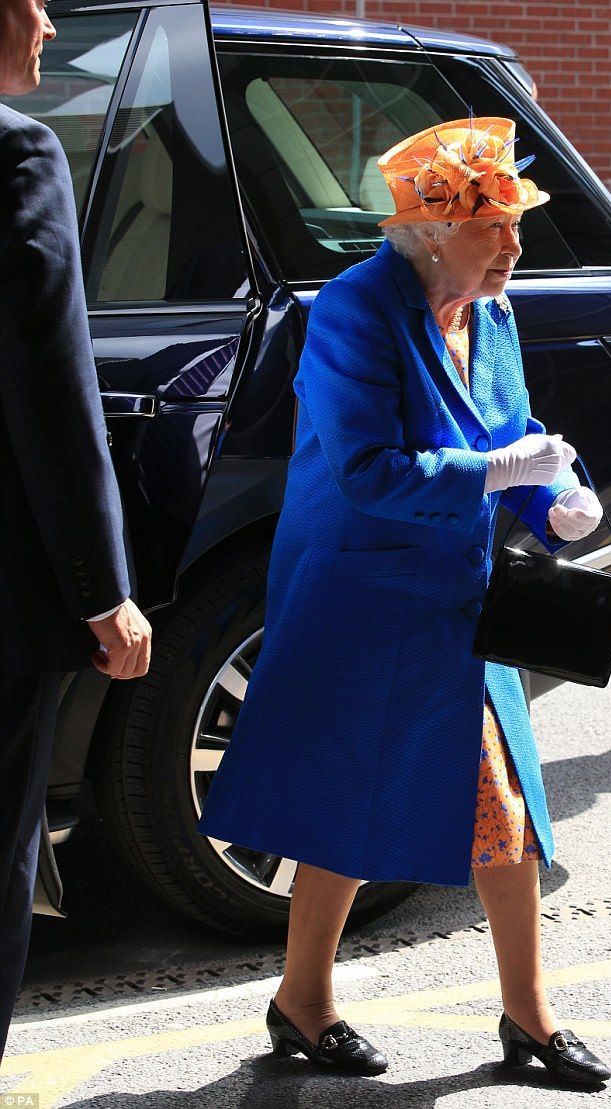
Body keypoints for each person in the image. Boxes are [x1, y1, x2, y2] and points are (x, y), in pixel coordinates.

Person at [198, 117, 611, 1085]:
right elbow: (367, 469)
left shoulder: (491, 312)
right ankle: (306, 1001)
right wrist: (500, 472)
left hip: (456, 598)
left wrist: (555, 496)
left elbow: (512, 432)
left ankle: (527, 1014)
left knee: (501, 803)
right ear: (431, 231)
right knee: (351, 802)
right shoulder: (354, 308)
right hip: (361, 595)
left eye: (515, 224)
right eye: (494, 226)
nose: (514, 245)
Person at [0, 0, 152, 1060]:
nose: (49, 25)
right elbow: (51, 388)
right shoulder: (17, 154)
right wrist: (103, 590)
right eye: (34, 2)